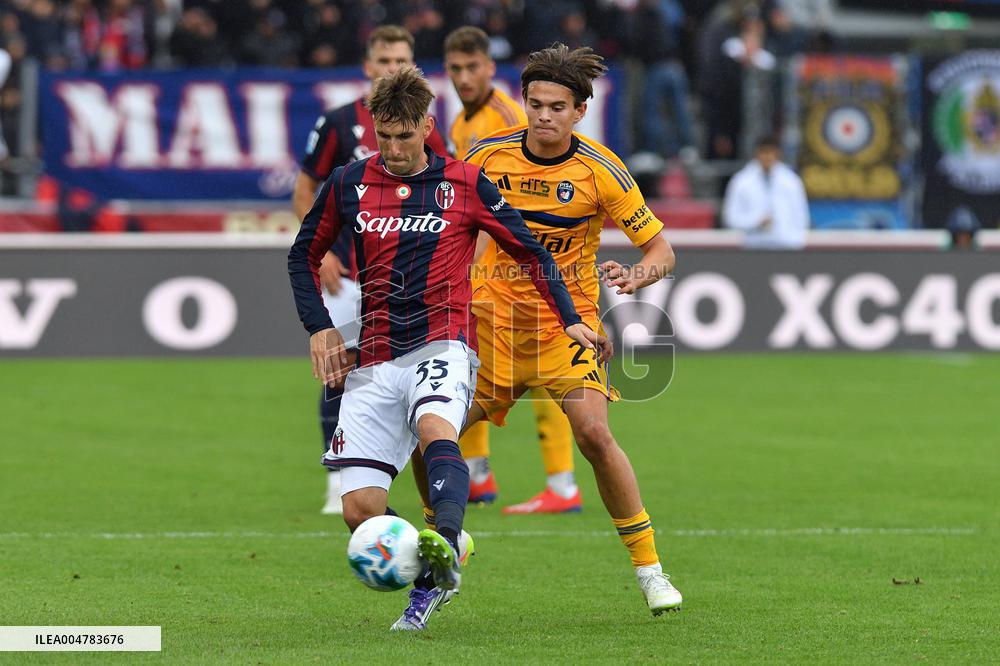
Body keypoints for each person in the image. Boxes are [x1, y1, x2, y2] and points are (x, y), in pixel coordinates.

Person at [288, 66, 608, 631]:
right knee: (359, 510)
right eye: (384, 136)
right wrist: (320, 327)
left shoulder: (465, 183)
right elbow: (301, 257)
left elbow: (532, 252)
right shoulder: (349, 182)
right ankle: (437, 562)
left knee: (437, 428)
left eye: (405, 136)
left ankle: (446, 540)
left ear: (427, 127)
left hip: (444, 343)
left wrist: (570, 320)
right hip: (375, 354)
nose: (394, 149)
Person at [461, 43, 683, 615]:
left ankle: (650, 571)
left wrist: (637, 275)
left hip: (569, 331)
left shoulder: (601, 171)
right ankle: (447, 536)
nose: (542, 116)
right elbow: (450, 227)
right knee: (433, 434)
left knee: (594, 434)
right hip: (493, 327)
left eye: (556, 106)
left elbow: (661, 249)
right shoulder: (486, 157)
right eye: (534, 104)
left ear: (579, 110)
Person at [291, 25, 449, 515]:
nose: (392, 69)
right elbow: (304, 189)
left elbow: (446, 192)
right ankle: (338, 479)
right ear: (368, 66)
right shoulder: (339, 122)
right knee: (339, 371)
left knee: (411, 376)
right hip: (347, 269)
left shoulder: (426, 122)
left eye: (401, 61)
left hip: (406, 280)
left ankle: (424, 487)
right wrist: (326, 255)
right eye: (384, 60)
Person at [444, 25, 582, 513]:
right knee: (469, 370)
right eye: (455, 69)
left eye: (472, 67)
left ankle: (562, 484)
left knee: (552, 379)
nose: (463, 77)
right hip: (489, 275)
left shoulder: (504, 120)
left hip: (524, 274)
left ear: (489, 68)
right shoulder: (464, 121)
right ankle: (478, 476)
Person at [722, 135, 809, 249]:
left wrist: (795, 239)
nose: (767, 157)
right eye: (763, 152)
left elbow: (801, 218)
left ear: (778, 154)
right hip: (754, 247)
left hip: (787, 246)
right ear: (756, 154)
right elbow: (731, 218)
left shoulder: (791, 181)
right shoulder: (741, 181)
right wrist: (756, 221)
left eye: (771, 152)